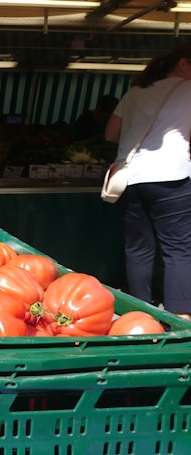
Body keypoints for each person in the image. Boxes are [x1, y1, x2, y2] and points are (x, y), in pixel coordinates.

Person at [104, 43, 191, 319]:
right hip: (172, 177)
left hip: (129, 178)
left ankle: (138, 313)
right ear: (183, 63)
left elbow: (110, 133)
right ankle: (181, 316)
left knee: (137, 247)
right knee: (178, 248)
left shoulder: (135, 92)